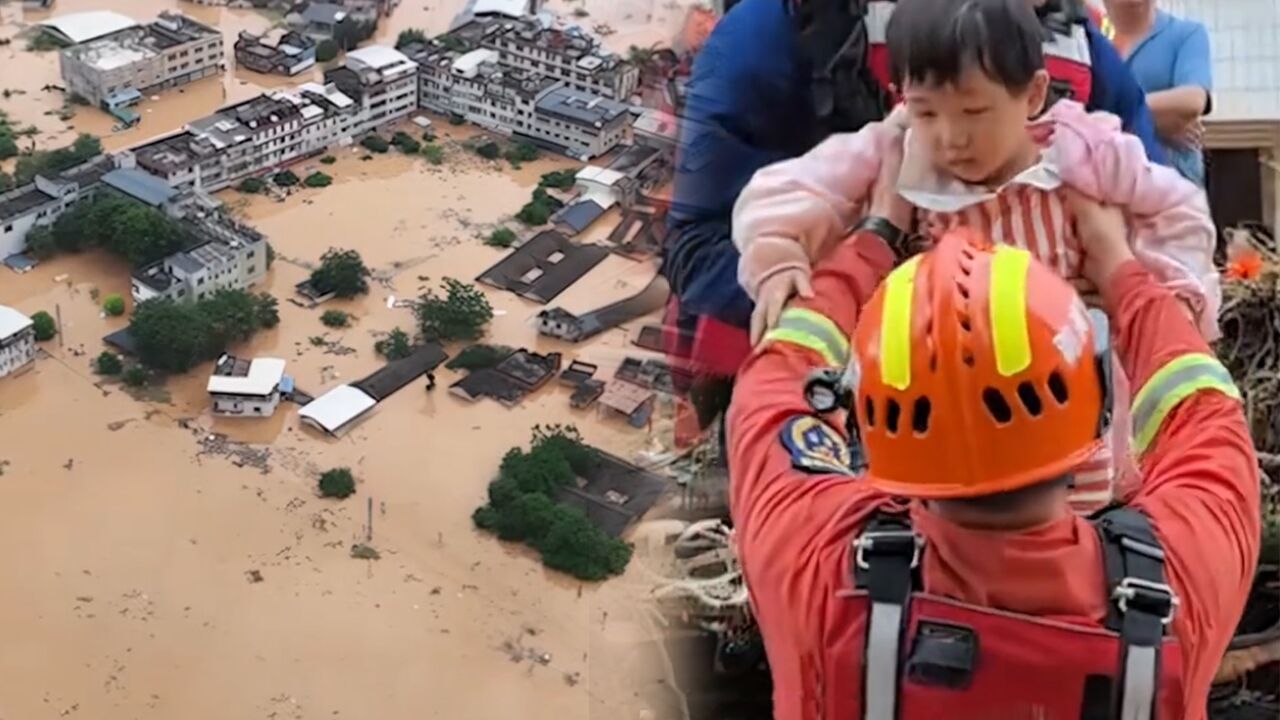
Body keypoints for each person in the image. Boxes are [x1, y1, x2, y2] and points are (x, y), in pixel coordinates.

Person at [726, 144, 1259, 716]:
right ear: (1100, 397)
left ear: (865, 419)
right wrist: (1118, 267)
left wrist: (876, 233)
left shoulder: (812, 560)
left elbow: (776, 384)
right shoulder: (1185, 578)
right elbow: (1201, 403)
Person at [733, 0, 1217, 511]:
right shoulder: (898, 153)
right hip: (938, 414)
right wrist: (779, 256)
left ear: (1032, 93)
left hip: (1067, 405)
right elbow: (783, 192)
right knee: (940, 526)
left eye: (974, 111)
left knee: (1079, 524)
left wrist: (1174, 295)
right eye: (926, 111)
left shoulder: (1082, 152)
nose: (950, 137)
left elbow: (1176, 209)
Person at [660, 0, 1166, 435]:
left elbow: (1152, 214)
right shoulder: (777, 30)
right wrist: (865, 284)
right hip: (832, 413)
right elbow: (697, 245)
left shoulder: (1080, 48)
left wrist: (1124, 283)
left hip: (1045, 410)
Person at [1101, 0, 1213, 185]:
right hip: (1105, 185)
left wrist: (1112, 116)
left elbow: (1192, 101)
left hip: (1172, 185)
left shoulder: (1187, 34)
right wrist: (1152, 123)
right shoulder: (1089, 38)